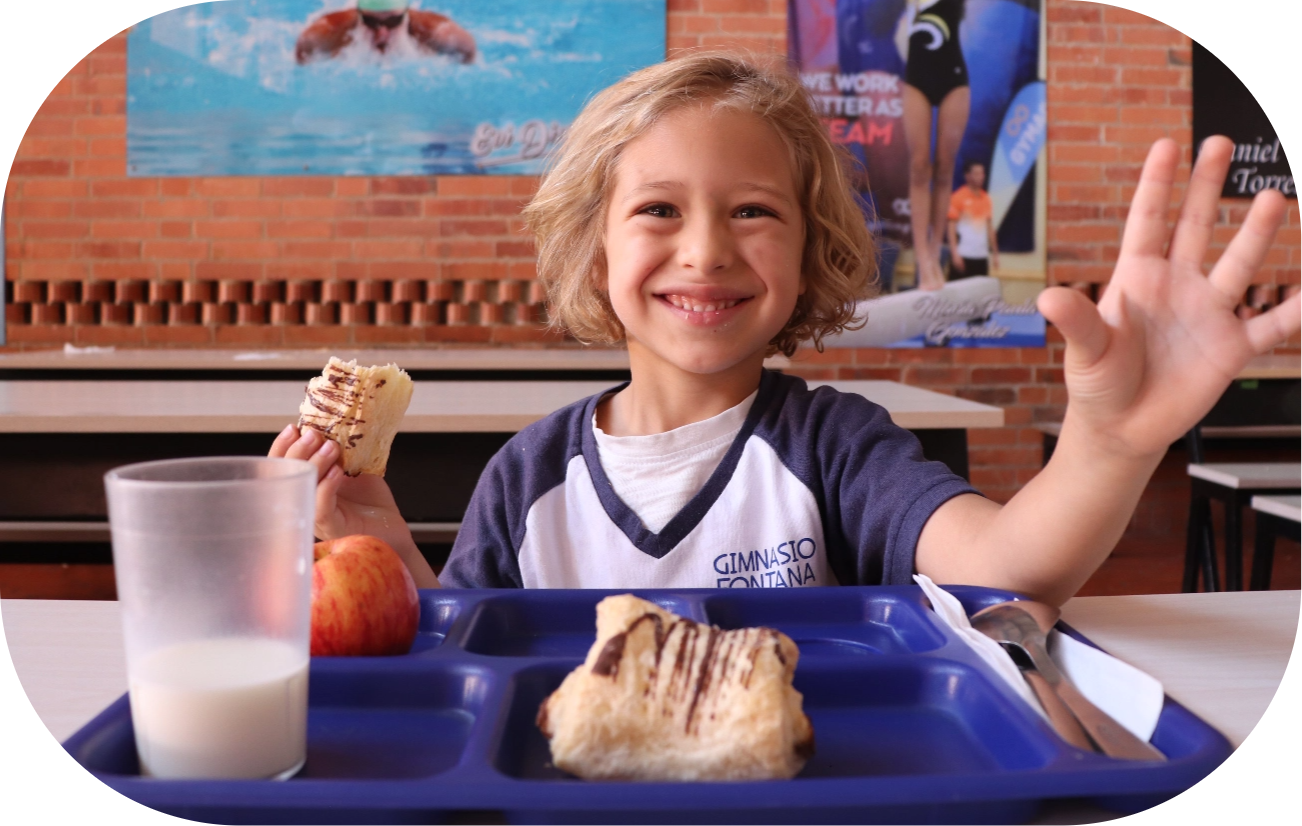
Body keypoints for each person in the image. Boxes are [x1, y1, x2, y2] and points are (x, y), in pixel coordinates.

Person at [269, 53, 1296, 608]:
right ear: (593, 253)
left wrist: (1111, 445)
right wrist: (386, 550)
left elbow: (1008, 569)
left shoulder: (837, 449)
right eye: (659, 210)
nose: (707, 251)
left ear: (810, 253)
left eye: (753, 211)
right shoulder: (529, 478)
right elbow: (466, 656)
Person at [902, 0, 970, 291]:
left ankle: (934, 249)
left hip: (953, 78)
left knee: (944, 168)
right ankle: (922, 259)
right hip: (916, 77)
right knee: (919, 166)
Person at [294, 0, 475, 65]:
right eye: (371, 22)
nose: (382, 34)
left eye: (392, 22)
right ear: (360, 15)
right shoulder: (326, 32)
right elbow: (302, 54)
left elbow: (468, 52)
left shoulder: (438, 33)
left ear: (405, 15)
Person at [946, 160, 998, 279]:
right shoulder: (957, 197)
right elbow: (951, 228)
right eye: (977, 173)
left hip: (981, 256)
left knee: (980, 294)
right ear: (967, 176)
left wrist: (995, 254)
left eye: (982, 173)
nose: (981, 177)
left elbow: (989, 227)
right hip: (963, 255)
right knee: (959, 293)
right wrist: (955, 254)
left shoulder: (986, 198)